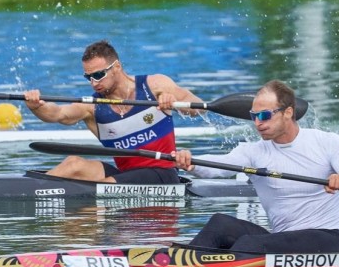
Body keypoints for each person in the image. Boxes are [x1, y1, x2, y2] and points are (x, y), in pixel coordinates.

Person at [174, 79, 339, 254]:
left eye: (265, 115)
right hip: (282, 239)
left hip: (325, 239)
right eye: (254, 116)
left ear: (288, 112)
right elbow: (217, 166)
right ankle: (178, 265)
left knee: (250, 245)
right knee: (220, 224)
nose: (258, 123)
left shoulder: (327, 142)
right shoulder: (254, 151)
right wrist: (189, 162)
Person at [23, 39, 204, 184]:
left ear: (116, 67)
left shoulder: (155, 85)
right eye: (88, 77)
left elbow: (198, 107)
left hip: (163, 174)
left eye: (98, 75)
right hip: (125, 175)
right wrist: (37, 106)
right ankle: (28, 189)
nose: (94, 83)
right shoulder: (92, 107)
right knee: (73, 164)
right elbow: (57, 114)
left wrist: (175, 102)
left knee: (102, 187)